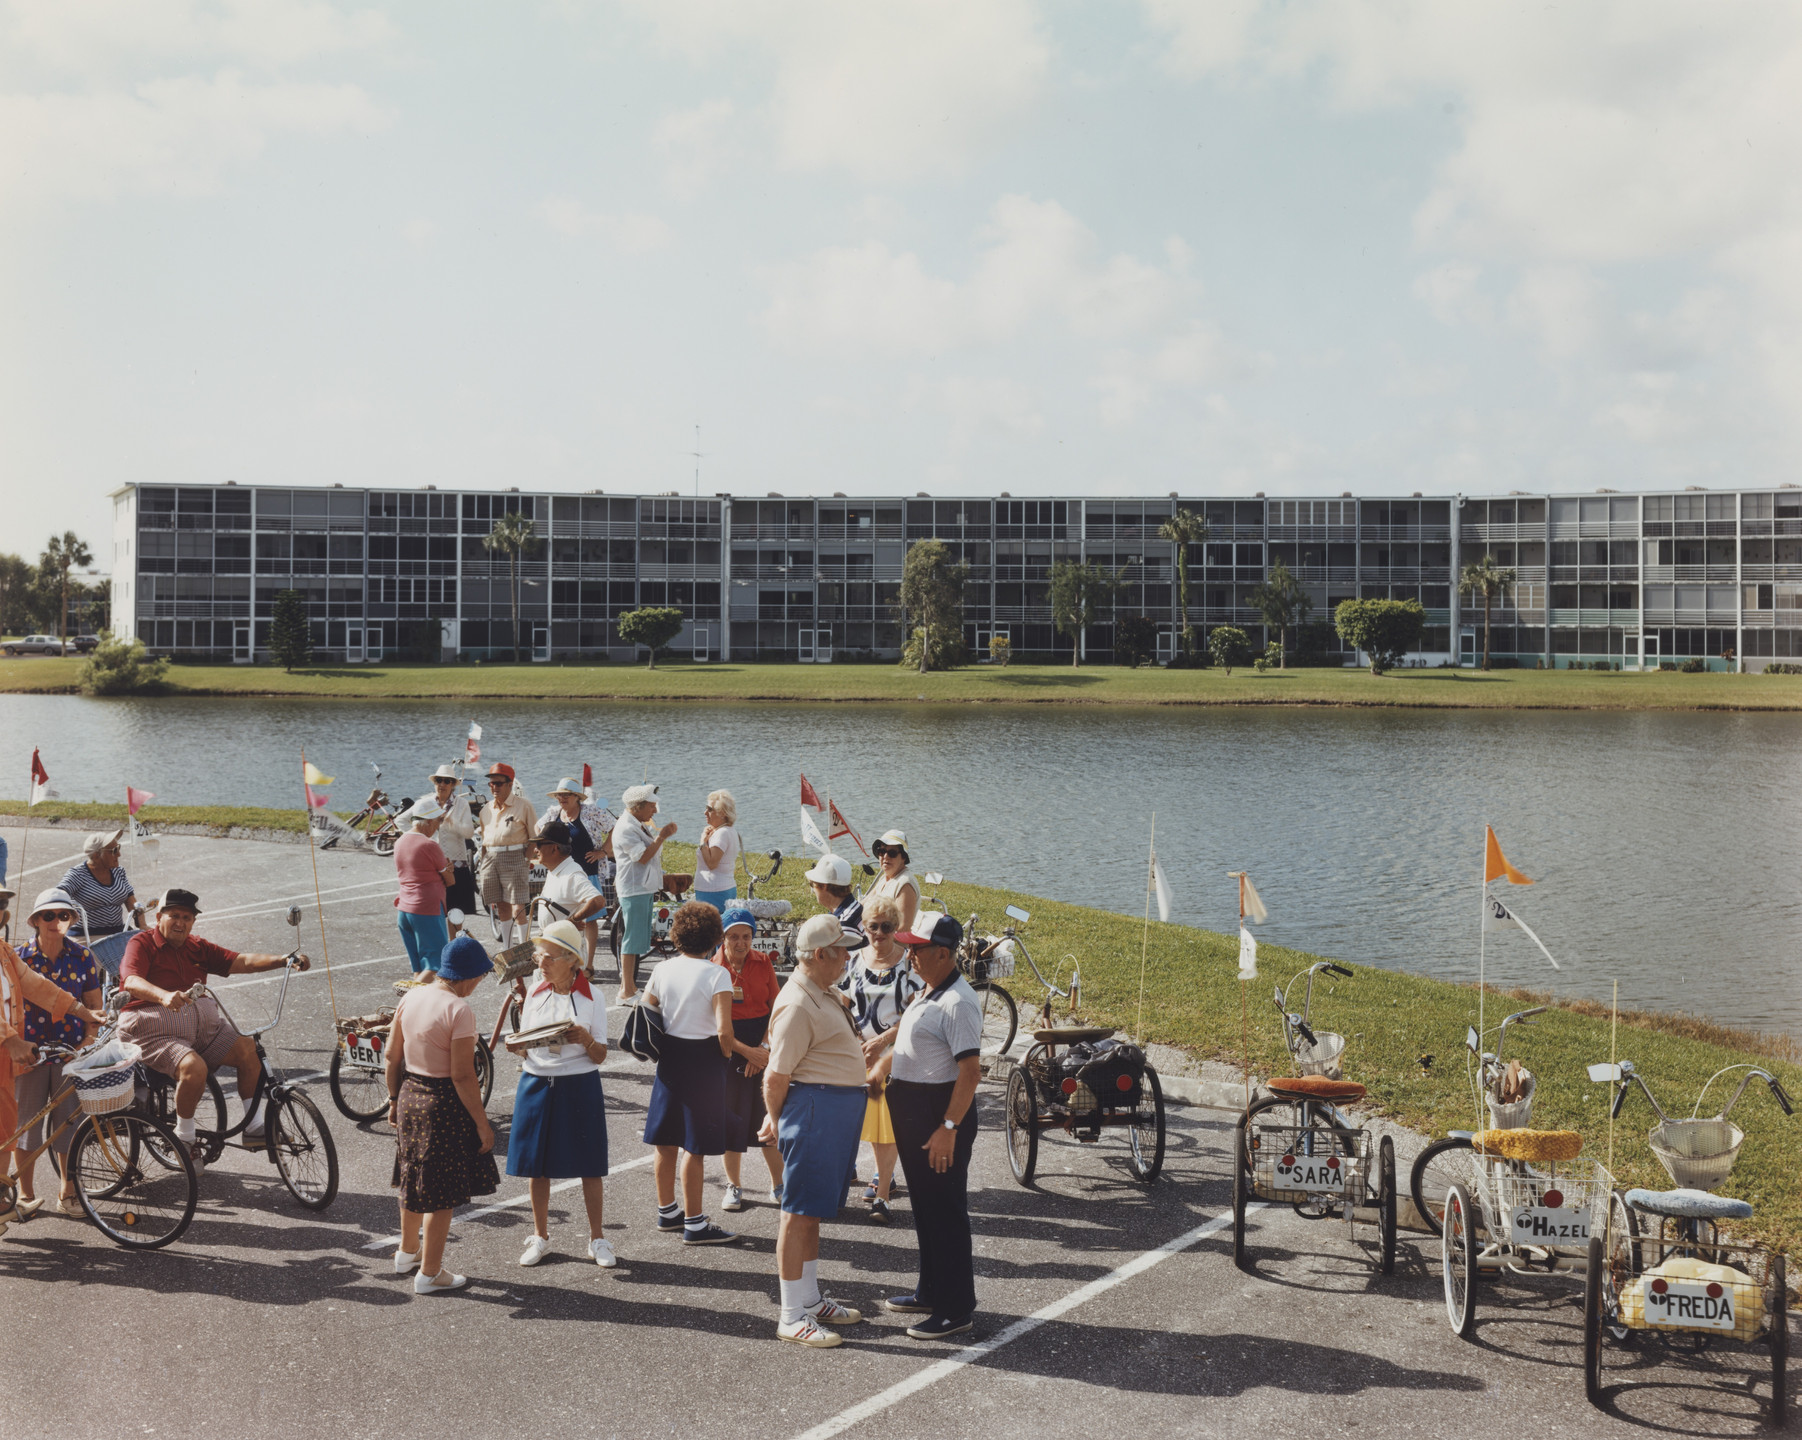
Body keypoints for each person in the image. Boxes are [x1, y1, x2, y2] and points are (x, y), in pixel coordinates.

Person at [116, 888, 309, 1176]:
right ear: (159, 917)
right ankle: (184, 1138)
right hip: (152, 1029)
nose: (180, 922)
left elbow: (239, 961)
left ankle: (255, 1126)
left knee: (248, 1049)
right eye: (174, 916)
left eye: (187, 917)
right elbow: (130, 979)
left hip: (202, 1029)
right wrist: (162, 996)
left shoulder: (197, 947)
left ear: (193, 921)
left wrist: (283, 960)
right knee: (194, 1068)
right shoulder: (142, 942)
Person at [758, 913, 870, 1347]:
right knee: (797, 1212)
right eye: (841, 951)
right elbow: (775, 1076)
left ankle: (809, 1298)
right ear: (821, 954)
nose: (847, 958)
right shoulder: (798, 1003)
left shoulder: (820, 992)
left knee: (813, 1211)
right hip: (813, 1113)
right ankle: (791, 1314)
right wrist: (777, 1118)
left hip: (830, 1113)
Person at [876, 910, 983, 1340]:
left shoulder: (959, 1002)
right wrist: (883, 1051)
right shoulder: (931, 990)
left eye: (917, 949)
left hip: (939, 1116)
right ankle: (930, 1289)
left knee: (945, 1211)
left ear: (943, 953)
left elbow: (970, 1072)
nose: (909, 954)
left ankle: (956, 1308)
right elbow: (916, 1035)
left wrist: (949, 1126)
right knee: (924, 1207)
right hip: (915, 1113)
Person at [386, 935, 498, 1294]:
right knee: (442, 1193)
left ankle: (407, 1251)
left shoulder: (412, 995)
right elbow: (463, 1075)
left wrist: (392, 1099)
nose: (480, 983)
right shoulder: (459, 1010)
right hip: (442, 1103)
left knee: (412, 1175)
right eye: (480, 976)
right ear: (465, 976)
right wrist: (483, 1125)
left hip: (409, 1095)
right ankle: (430, 1273)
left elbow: (391, 1055)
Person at [505, 920, 615, 1269]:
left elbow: (600, 1056)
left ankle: (597, 1238)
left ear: (572, 960)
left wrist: (584, 1038)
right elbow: (527, 1048)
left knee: (590, 1165)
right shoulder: (535, 992)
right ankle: (540, 1236)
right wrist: (516, 1046)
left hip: (580, 1083)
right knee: (537, 1166)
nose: (542, 962)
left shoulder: (594, 997)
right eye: (540, 955)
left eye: (550, 957)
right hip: (536, 1082)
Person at [2, 888, 103, 1219]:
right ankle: (17, 1196)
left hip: (37, 1057)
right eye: (49, 915)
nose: (56, 921)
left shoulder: (5, 953)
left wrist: (87, 1016)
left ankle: (10, 1199)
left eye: (2, 906)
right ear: (35, 920)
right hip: (19, 1055)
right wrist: (11, 1041)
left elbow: (40, 988)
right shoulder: (17, 951)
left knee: (17, 1130)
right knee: (18, 1130)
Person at [641, 901, 736, 1246]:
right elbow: (724, 1033)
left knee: (666, 1141)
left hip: (670, 1057)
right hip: (704, 1060)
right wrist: (732, 1055)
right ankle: (695, 1224)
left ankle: (667, 1211)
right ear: (714, 937)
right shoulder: (717, 974)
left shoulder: (664, 969)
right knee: (694, 1146)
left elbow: (648, 1007)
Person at [841, 892, 923, 1223]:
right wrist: (855, 1041)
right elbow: (844, 1006)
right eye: (873, 926)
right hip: (862, 1054)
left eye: (887, 927)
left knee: (888, 1123)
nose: (879, 933)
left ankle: (884, 1199)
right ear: (864, 927)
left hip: (897, 1054)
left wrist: (883, 1041)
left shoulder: (908, 963)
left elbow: (918, 1014)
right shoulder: (855, 961)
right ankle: (883, 1173)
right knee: (875, 1123)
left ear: (896, 928)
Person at [712, 905, 783, 1211]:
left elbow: (777, 1007)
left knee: (769, 1118)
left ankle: (779, 1185)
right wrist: (747, 1052)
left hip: (762, 1043)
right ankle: (734, 1185)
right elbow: (717, 1026)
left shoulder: (763, 961)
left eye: (746, 936)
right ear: (722, 938)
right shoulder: (714, 969)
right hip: (730, 1047)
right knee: (732, 1120)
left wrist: (764, 1050)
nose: (741, 942)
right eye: (734, 936)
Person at [612, 783, 676, 1002]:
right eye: (651, 806)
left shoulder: (637, 824)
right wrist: (662, 837)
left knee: (637, 938)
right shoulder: (626, 828)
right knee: (631, 939)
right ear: (637, 806)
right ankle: (626, 990)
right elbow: (642, 856)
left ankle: (629, 986)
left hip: (642, 888)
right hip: (633, 889)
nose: (655, 810)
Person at [546, 777, 617, 967]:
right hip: (562, 874)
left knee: (590, 919)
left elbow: (615, 827)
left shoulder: (590, 812)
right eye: (559, 794)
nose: (562, 798)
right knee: (562, 917)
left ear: (577, 797)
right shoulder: (554, 814)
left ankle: (589, 964)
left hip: (587, 872)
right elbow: (540, 830)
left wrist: (602, 851)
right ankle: (565, 962)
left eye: (567, 795)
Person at [57, 829, 139, 977]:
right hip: (87, 936)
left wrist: (142, 922)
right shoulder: (78, 874)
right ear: (96, 855)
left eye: (118, 848)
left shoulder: (118, 872)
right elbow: (58, 895)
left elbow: (130, 897)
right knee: (86, 976)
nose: (119, 854)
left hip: (118, 933)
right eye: (114, 850)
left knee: (140, 961)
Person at [479, 762, 537, 952]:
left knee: (518, 908)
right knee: (500, 907)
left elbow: (535, 837)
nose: (494, 787)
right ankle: (508, 950)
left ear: (510, 784)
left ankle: (524, 952)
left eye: (498, 783)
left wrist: (526, 860)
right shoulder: (486, 809)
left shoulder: (523, 806)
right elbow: (484, 838)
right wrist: (483, 862)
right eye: (491, 784)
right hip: (490, 858)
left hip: (515, 857)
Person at [394, 799, 454, 976]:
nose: (438, 826)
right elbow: (450, 880)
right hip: (426, 909)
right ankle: (409, 1003)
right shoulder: (429, 845)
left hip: (405, 908)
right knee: (434, 965)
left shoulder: (400, 842)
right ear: (428, 821)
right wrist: (448, 871)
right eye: (437, 821)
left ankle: (416, 1002)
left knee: (418, 967)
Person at [427, 765, 479, 938]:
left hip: (456, 865)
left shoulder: (461, 804)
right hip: (432, 865)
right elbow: (403, 821)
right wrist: (419, 837)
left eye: (447, 781)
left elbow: (469, 832)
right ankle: (439, 951)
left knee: (455, 913)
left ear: (453, 785)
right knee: (434, 912)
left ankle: (455, 949)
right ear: (434, 782)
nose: (442, 784)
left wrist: (449, 820)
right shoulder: (426, 802)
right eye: (439, 780)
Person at [865, 830, 920, 936]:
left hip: (892, 947)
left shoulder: (905, 884)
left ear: (903, 857)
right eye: (881, 851)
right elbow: (862, 905)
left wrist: (871, 938)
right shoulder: (885, 879)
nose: (885, 856)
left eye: (892, 853)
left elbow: (903, 928)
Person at [694, 791, 741, 911]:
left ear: (722, 813)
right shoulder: (728, 831)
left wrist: (703, 841)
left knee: (711, 928)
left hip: (713, 892)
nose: (705, 813)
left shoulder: (722, 833)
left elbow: (712, 863)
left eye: (710, 809)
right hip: (720, 888)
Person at [804, 853, 863, 935]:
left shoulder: (844, 925)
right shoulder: (854, 907)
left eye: (812, 885)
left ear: (824, 886)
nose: (813, 890)